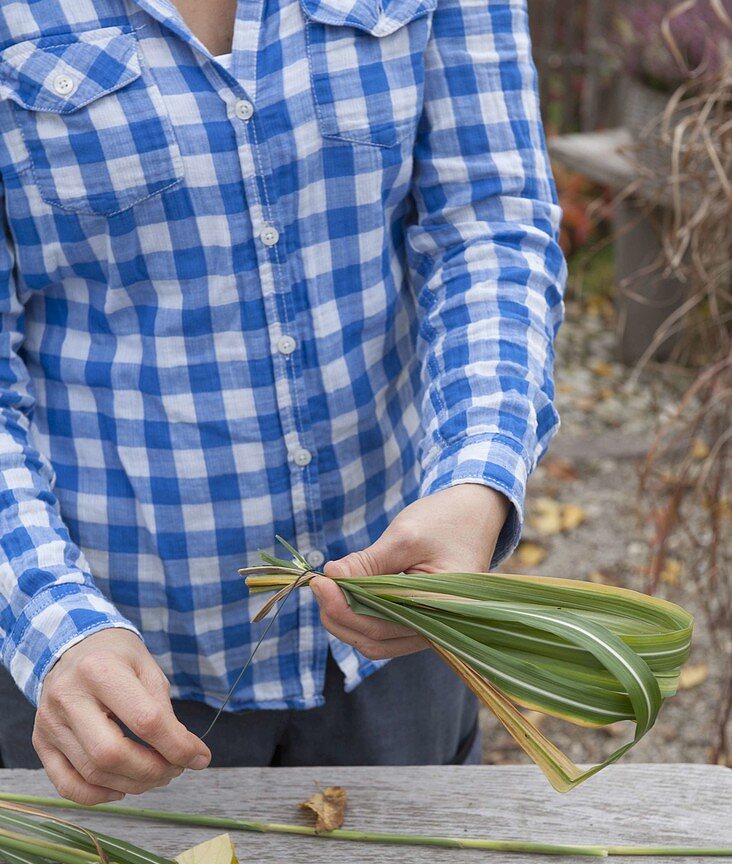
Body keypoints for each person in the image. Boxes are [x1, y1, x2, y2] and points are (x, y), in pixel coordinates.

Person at [0, 0, 565, 801]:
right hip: (106, 680)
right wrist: (56, 623)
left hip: (402, 629)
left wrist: (475, 484)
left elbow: (489, 225)